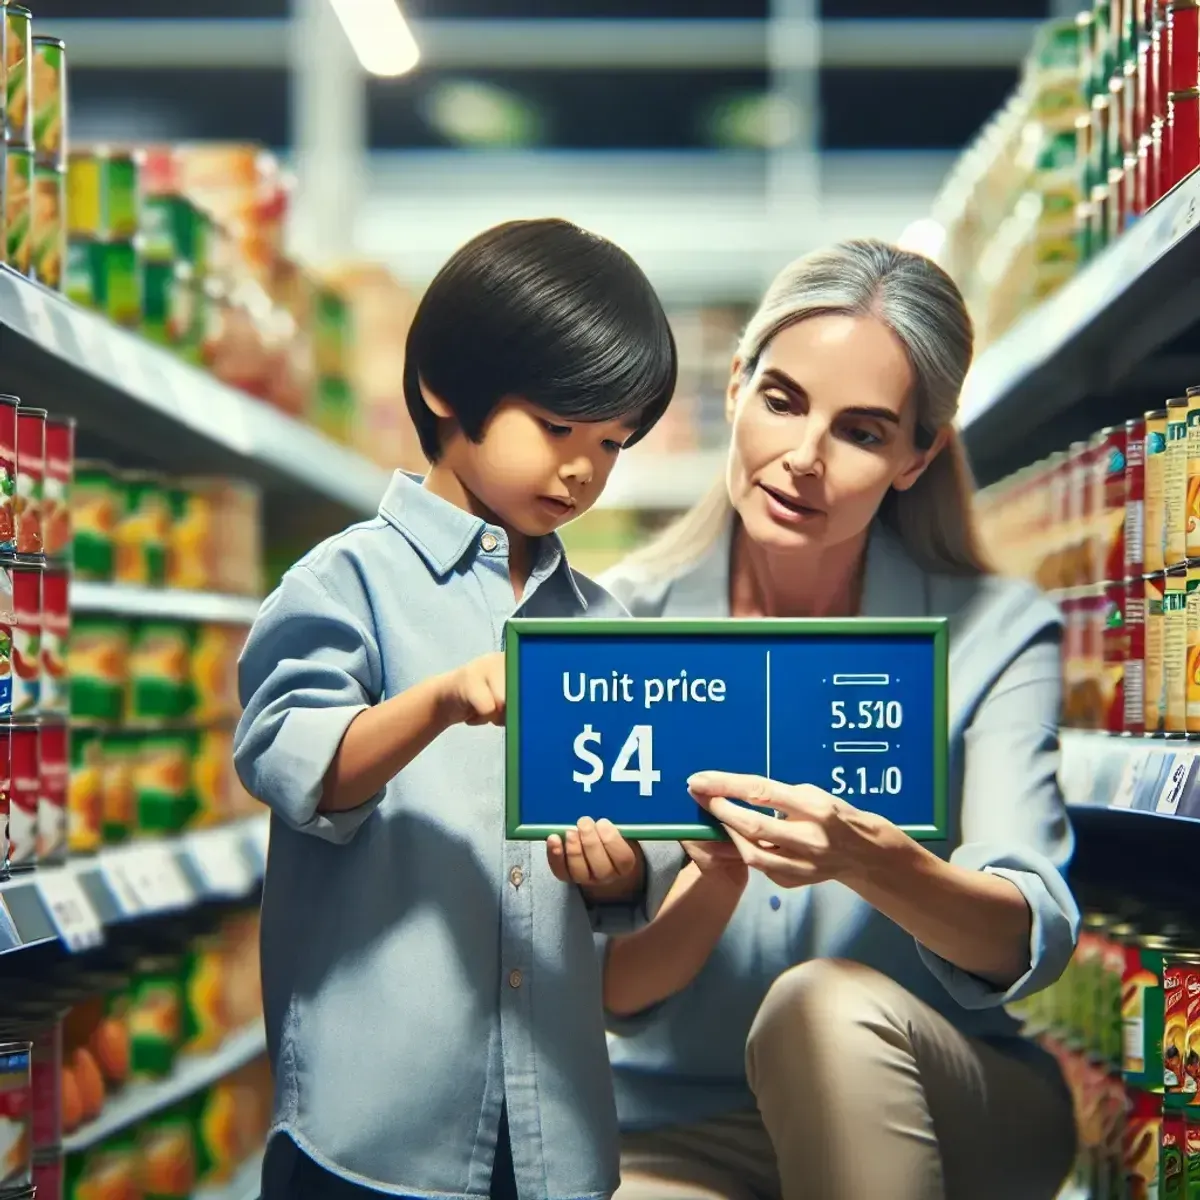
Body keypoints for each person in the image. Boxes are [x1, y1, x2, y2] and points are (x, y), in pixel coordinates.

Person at [597, 238, 1080, 1200]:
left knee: (819, 1008)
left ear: (916, 457)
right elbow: (606, 983)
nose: (804, 459)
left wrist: (867, 857)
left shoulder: (992, 632)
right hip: (676, 1127)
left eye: (861, 432)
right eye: (782, 401)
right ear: (736, 385)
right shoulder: (617, 627)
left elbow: (1025, 939)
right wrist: (708, 883)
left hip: (943, 1098)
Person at [233, 218, 683, 1200]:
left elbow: (641, 845)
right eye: (557, 427)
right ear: (445, 386)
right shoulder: (345, 583)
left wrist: (618, 868)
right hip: (372, 1128)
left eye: (611, 443)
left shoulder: (602, 626)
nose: (583, 469)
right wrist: (436, 701)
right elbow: (293, 763)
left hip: (556, 1129)